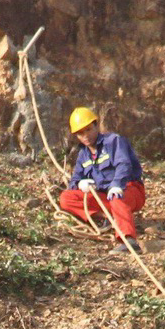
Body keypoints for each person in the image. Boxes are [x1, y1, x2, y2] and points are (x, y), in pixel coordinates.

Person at [55, 107, 144, 250]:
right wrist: (79, 184)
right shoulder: (83, 154)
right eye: (80, 133)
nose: (85, 136)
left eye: (88, 130)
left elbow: (124, 164)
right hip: (104, 197)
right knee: (66, 198)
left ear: (96, 125)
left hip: (129, 190)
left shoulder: (114, 141)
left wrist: (117, 184)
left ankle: (128, 240)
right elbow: (74, 181)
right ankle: (108, 217)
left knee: (116, 196)